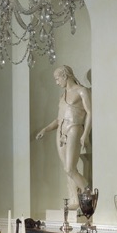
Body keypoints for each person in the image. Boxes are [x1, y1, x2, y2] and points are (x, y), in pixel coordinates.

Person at [35, 65, 92, 200]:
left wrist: (86, 134)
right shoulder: (62, 95)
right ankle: (75, 200)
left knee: (69, 168)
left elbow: (90, 112)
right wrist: (45, 129)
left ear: (65, 76)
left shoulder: (82, 91)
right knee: (68, 170)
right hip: (60, 131)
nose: (57, 82)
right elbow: (58, 119)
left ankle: (87, 192)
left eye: (57, 78)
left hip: (74, 128)